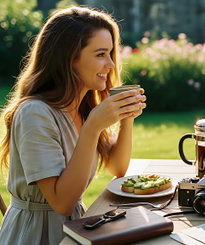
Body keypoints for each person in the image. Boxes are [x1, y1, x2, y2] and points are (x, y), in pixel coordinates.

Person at [0, 6, 146, 244]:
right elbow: (62, 202)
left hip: (75, 228)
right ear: (68, 59)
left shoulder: (83, 106)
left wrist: (126, 117)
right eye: (100, 54)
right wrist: (92, 127)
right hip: (37, 234)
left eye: (110, 53)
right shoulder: (35, 114)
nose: (110, 65)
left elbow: (118, 168)